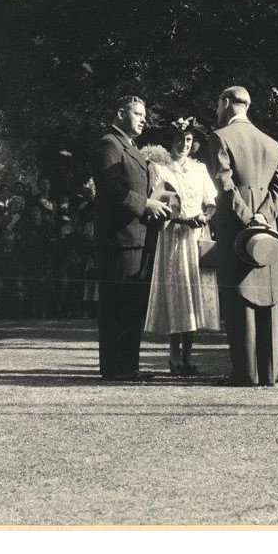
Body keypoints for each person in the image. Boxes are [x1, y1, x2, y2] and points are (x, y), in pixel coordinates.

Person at [209, 86, 278, 387]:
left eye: (219, 104)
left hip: (237, 228)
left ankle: (244, 372)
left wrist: (247, 217)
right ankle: (269, 372)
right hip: (268, 229)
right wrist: (264, 216)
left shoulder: (220, 137)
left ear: (227, 103)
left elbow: (224, 184)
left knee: (238, 295)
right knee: (268, 293)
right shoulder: (273, 143)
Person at [91, 95, 172, 381]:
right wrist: (146, 204)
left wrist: (158, 201)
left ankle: (128, 366)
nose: (143, 119)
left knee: (131, 305)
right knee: (117, 305)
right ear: (120, 113)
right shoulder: (109, 144)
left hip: (137, 237)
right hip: (118, 239)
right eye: (137, 113)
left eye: (143, 114)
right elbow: (111, 189)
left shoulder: (130, 147)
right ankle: (116, 367)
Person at [145, 116, 220, 377]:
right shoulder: (159, 168)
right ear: (171, 141)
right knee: (177, 295)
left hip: (195, 237)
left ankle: (188, 356)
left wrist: (203, 218)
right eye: (179, 139)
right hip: (173, 235)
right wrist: (181, 219)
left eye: (188, 140)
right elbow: (160, 202)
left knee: (194, 296)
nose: (184, 144)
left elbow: (211, 203)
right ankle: (174, 355)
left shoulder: (199, 169)